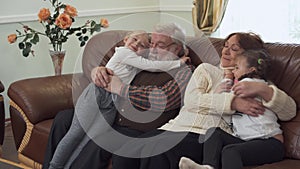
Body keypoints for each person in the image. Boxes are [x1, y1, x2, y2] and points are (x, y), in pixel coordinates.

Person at [111, 32, 296, 169]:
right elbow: (191, 101)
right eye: (225, 45)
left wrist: (265, 91)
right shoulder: (206, 69)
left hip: (203, 136)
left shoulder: (257, 84)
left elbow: (289, 111)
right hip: (173, 127)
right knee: (125, 152)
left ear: (249, 57)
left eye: (235, 49)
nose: (226, 51)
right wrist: (232, 103)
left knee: (158, 152)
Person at [42, 23, 195, 169]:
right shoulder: (145, 57)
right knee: (63, 119)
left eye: (160, 45)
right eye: (151, 44)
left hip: (136, 127)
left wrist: (121, 89)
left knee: (97, 143)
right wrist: (98, 70)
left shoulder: (184, 71)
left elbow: (164, 99)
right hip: (110, 109)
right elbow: (115, 65)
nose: (153, 49)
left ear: (177, 48)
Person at [179, 49, 285, 169]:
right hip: (247, 142)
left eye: (237, 68)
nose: (233, 71)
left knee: (230, 151)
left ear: (251, 70)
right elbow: (223, 106)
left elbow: (225, 98)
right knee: (213, 133)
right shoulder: (245, 85)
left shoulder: (250, 85)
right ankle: (208, 167)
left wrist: (226, 80)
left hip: (270, 144)